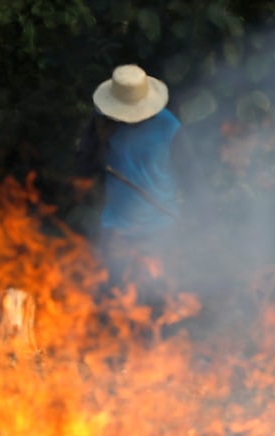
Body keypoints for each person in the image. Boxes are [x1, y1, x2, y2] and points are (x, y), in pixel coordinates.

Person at [73, 64, 200, 304]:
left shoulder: (169, 127)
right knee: (116, 299)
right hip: (117, 229)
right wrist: (101, 140)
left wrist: (197, 218)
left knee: (155, 301)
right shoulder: (103, 123)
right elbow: (83, 168)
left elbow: (192, 177)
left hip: (161, 229)